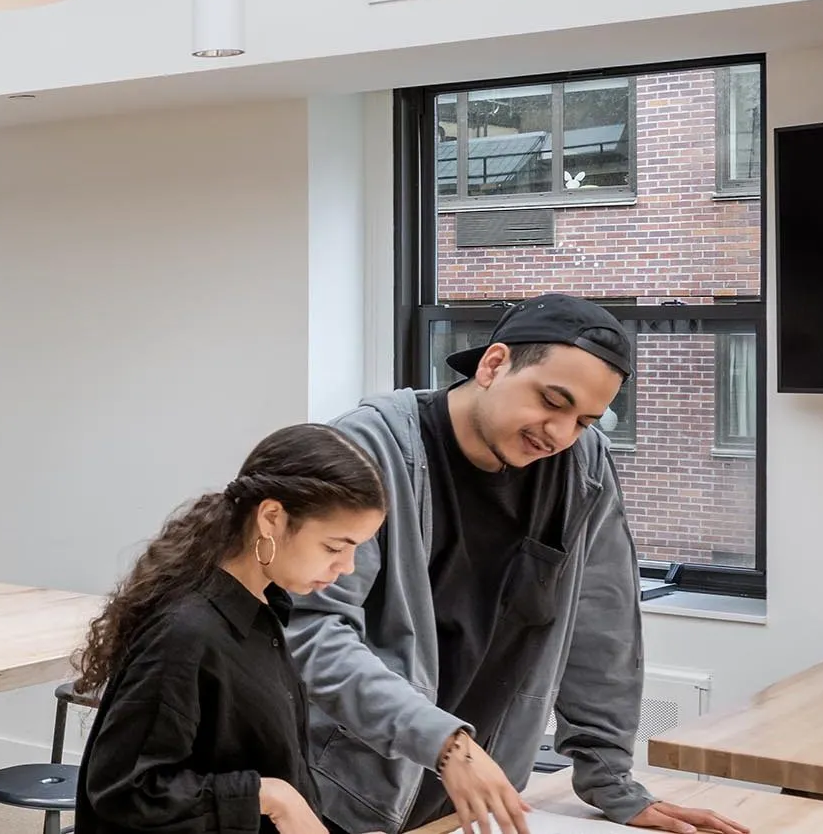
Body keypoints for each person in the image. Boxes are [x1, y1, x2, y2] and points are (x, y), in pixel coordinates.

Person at [290, 294, 749, 834]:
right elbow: (313, 630)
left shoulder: (583, 466)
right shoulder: (370, 451)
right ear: (492, 364)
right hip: (338, 794)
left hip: (477, 799)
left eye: (583, 420)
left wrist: (611, 782)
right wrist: (442, 742)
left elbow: (600, 626)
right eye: (552, 401)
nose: (559, 433)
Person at [73, 424, 388, 834]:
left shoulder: (262, 613)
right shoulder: (185, 634)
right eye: (334, 547)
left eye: (354, 550)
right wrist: (271, 796)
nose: (346, 568)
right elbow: (126, 792)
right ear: (272, 518)